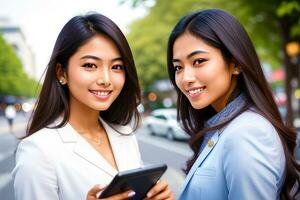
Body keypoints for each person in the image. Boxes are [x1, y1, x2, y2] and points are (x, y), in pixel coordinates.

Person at [12, 13, 174, 200]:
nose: (105, 79)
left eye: (116, 67)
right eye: (90, 65)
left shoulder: (124, 133)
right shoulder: (37, 151)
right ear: (61, 72)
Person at [166, 9, 300, 200]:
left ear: (235, 63)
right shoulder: (221, 124)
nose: (185, 78)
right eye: (178, 67)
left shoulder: (247, 133)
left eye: (198, 61)